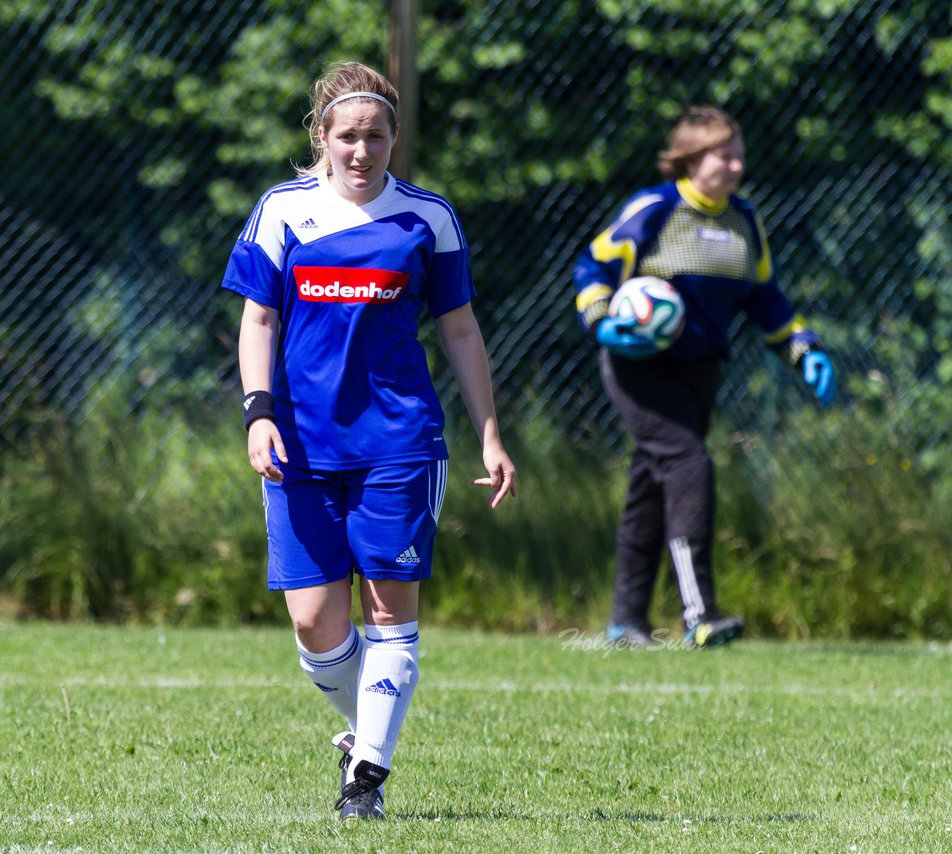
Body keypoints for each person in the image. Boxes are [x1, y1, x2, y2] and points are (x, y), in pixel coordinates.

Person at [221, 61, 517, 819]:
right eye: (347, 135)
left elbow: (459, 328)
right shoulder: (282, 211)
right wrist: (258, 412)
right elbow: (258, 318)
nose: (362, 149)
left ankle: (367, 781)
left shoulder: (428, 218)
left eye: (377, 135)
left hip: (400, 442)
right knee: (315, 623)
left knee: (390, 611)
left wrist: (490, 433)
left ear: (395, 138)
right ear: (321, 136)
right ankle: (367, 733)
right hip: (299, 445)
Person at [572, 105, 836, 650]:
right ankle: (701, 615)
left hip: (704, 371)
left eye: (739, 154)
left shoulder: (743, 218)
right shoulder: (654, 209)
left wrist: (802, 347)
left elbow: (764, 296)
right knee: (688, 464)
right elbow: (593, 268)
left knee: (653, 479)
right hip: (640, 367)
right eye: (725, 154)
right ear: (690, 159)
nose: (737, 164)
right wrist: (602, 320)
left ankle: (627, 623)